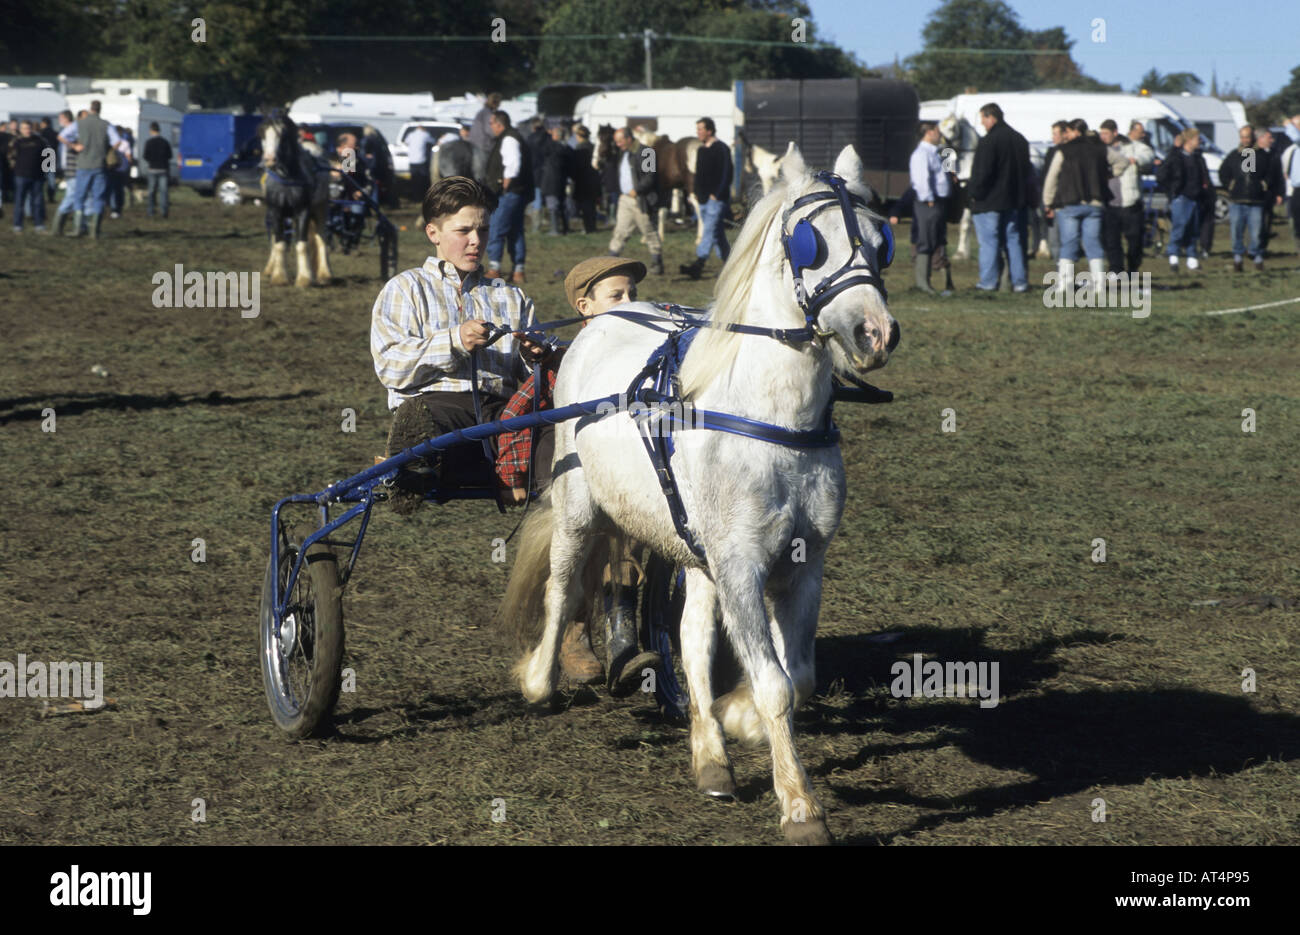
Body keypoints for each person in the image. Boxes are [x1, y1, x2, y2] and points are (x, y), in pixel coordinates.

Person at [493, 256, 662, 691]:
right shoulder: (568, 359)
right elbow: (517, 411)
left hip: (625, 470)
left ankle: (624, 634)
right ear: (584, 307)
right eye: (617, 296)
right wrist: (512, 474)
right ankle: (574, 632)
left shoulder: (643, 357)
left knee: (632, 535)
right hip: (573, 468)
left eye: (633, 295)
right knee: (585, 537)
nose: (630, 303)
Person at [372, 176, 550, 517]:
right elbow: (391, 367)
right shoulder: (405, 289)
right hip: (436, 406)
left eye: (483, 230)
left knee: (557, 438)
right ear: (433, 233)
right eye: (463, 231)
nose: (476, 241)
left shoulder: (510, 296)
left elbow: (530, 379)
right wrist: (454, 341)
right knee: (423, 422)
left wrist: (534, 357)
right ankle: (408, 470)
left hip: (502, 414)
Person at [1042, 118, 1112, 295]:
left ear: (1075, 132)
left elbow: (1051, 178)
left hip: (1069, 203)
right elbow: (1122, 162)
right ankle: (1099, 285)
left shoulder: (1064, 151)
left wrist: (1048, 202)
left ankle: (1064, 285)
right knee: (1093, 244)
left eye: (1068, 131)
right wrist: (1106, 176)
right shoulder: (1098, 149)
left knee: (1068, 244)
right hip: (1094, 203)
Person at [967, 103, 1032, 292]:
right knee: (1014, 241)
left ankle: (988, 282)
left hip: (989, 201)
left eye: (983, 119)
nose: (982, 124)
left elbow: (983, 173)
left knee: (989, 242)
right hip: (1014, 202)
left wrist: (973, 194)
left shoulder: (989, 141)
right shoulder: (1020, 139)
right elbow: (1027, 172)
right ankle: (1020, 282)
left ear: (991, 117)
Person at [904, 120, 954, 295]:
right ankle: (922, 283)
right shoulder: (921, 154)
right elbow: (921, 179)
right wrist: (929, 199)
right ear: (929, 132)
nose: (940, 134)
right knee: (926, 239)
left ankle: (932, 282)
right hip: (928, 203)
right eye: (937, 131)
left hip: (937, 201)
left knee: (935, 239)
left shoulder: (935, 152)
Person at [679, 117, 732, 278]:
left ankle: (698, 264)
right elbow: (698, 174)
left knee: (708, 230)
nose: (698, 132)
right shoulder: (701, 150)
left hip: (716, 200)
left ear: (709, 130)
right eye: (697, 129)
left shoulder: (721, 148)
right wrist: (693, 192)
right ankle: (731, 264)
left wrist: (717, 194)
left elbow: (726, 173)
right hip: (701, 199)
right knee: (717, 234)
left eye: (700, 129)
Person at [1098, 118, 1153, 273]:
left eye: (1106, 133)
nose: (1103, 137)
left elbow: (1148, 154)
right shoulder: (1099, 150)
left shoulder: (1130, 146)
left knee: (1135, 239)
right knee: (1111, 240)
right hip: (1109, 202)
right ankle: (1116, 270)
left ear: (1115, 132)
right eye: (1101, 133)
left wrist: (1137, 160)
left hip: (1130, 201)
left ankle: (1133, 267)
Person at [485, 110, 533, 284]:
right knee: (516, 230)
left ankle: (494, 268)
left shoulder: (509, 138)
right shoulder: (513, 136)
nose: (491, 127)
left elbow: (513, 164)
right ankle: (518, 270)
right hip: (518, 192)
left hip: (510, 192)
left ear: (499, 124)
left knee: (496, 228)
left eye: (491, 123)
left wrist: (504, 186)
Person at [608, 126, 664, 275]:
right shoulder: (624, 153)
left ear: (628, 138)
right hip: (625, 200)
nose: (618, 144)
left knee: (649, 232)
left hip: (642, 201)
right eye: (616, 141)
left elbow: (650, 176)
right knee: (620, 231)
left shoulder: (647, 152)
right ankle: (609, 262)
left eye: (620, 141)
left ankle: (657, 262)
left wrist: (636, 190)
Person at [64, 101, 119, 239]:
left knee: (79, 196)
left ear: (90, 109)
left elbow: (62, 136)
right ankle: (95, 231)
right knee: (98, 197)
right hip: (99, 165)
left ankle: (77, 229)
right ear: (100, 109)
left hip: (83, 165)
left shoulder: (80, 123)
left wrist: (74, 146)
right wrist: (108, 151)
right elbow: (117, 141)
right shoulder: (106, 124)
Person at [1157, 128, 1210, 273]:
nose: (1199, 142)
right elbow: (1161, 175)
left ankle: (1192, 259)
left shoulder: (1198, 158)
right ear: (1189, 140)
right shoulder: (1176, 157)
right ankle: (1173, 256)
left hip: (1195, 198)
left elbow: (1204, 177)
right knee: (1179, 228)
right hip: (1181, 197)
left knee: (1193, 229)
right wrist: (1172, 191)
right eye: (1197, 139)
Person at [1219, 125, 1268, 271]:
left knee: (1256, 232)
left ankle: (1257, 257)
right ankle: (1238, 259)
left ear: (1252, 137)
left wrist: (1263, 185)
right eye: (1242, 137)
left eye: (1247, 137)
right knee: (1236, 231)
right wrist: (1231, 185)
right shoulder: (1234, 155)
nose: (1245, 140)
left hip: (1256, 200)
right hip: (1237, 200)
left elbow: (1271, 173)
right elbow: (1223, 172)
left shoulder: (1262, 156)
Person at [8, 120, 48, 232]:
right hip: (21, 175)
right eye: (24, 128)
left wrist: (47, 171)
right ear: (20, 129)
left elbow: (49, 155)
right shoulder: (16, 141)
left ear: (32, 128)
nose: (27, 130)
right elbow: (10, 156)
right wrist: (15, 169)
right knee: (19, 201)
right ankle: (18, 225)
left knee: (38, 201)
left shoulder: (40, 141)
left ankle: (39, 224)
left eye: (29, 128)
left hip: (37, 176)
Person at [1254, 128, 1285, 255]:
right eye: (1269, 137)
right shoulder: (1250, 153)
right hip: (1254, 194)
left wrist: (1279, 193)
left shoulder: (1274, 154)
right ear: (1260, 139)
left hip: (1270, 194)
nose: (1272, 140)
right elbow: (1246, 174)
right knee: (1255, 222)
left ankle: (1262, 248)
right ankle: (1253, 247)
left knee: (1266, 221)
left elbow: (1279, 175)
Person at [537, 123, 570, 235]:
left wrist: (545, 133)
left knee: (552, 205)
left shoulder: (551, 147)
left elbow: (540, 146)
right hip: (561, 180)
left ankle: (554, 229)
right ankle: (565, 227)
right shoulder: (566, 148)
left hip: (550, 180)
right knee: (561, 205)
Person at [570, 125, 600, 233]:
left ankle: (588, 227)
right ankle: (592, 226)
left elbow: (576, 166)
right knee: (591, 205)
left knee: (585, 206)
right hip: (593, 179)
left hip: (582, 180)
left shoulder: (579, 148)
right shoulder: (593, 146)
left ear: (579, 136)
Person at [142, 122, 172, 218]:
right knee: (163, 191)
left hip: (152, 169)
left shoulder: (149, 142)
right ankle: (164, 212)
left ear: (151, 130)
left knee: (151, 191)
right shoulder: (165, 142)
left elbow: (145, 156)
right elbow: (170, 156)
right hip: (163, 169)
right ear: (159, 130)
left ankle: (150, 211)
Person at [360, 125, 395, 208]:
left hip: (369, 165)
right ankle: (375, 204)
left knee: (369, 185)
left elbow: (363, 152)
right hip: (378, 166)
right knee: (374, 185)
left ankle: (370, 205)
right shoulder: (377, 140)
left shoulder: (366, 140)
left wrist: (365, 157)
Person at [404, 123, 433, 204]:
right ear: (423, 128)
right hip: (421, 160)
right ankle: (422, 197)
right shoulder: (425, 134)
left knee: (414, 179)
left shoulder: (411, 134)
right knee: (423, 179)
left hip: (412, 160)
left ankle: (415, 197)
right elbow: (433, 141)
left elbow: (406, 142)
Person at [38, 117, 59, 202]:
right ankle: (51, 196)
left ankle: (42, 197)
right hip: (52, 156)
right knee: (51, 178)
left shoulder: (42, 133)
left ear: (44, 123)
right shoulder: (55, 133)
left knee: (42, 178)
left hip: (44, 156)